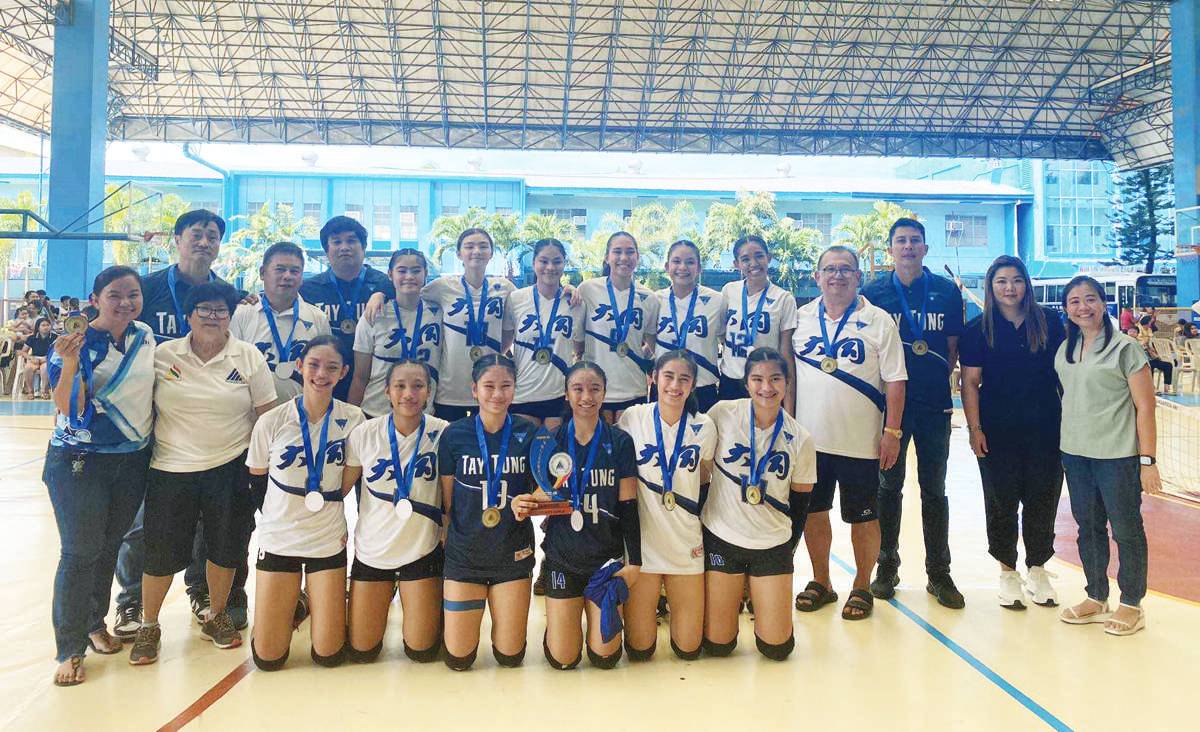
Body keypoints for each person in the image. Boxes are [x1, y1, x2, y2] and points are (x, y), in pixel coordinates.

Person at [129, 282, 277, 665]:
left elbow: (267, 417)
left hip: (229, 468)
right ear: (189, 315)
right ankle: (149, 624)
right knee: (160, 553)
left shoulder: (247, 357)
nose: (213, 317)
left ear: (231, 317)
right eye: (204, 310)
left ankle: (217, 614)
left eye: (221, 311)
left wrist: (261, 473)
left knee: (226, 548)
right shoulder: (163, 355)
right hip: (170, 467)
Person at [114, 209, 236, 639]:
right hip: (140, 422)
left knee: (203, 520)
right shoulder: (145, 291)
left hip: (196, 428)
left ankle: (201, 592)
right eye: (196, 234)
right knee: (142, 520)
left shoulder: (226, 297)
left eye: (212, 236)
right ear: (177, 240)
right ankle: (130, 603)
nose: (204, 242)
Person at [43, 267, 155, 686]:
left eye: (133, 294)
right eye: (114, 295)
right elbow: (68, 407)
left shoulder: (144, 335)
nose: (125, 302)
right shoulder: (73, 343)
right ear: (94, 299)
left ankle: (95, 623)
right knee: (79, 552)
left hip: (131, 460)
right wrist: (71, 361)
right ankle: (69, 647)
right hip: (79, 461)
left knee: (108, 546)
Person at [791, 245, 906, 621]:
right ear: (817, 276)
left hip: (861, 442)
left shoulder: (879, 320)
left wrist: (892, 431)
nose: (837, 276)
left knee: (863, 517)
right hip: (811, 442)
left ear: (858, 277)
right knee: (814, 513)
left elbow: (895, 380)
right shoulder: (801, 318)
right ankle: (821, 581)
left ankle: (861, 584)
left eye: (845, 270)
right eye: (829, 269)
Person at [862, 218, 966, 609]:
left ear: (925, 248)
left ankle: (939, 573)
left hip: (934, 404)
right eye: (901, 241)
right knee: (888, 488)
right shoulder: (872, 293)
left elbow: (952, 347)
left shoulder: (944, 291)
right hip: (890, 408)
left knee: (934, 491)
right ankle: (886, 566)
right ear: (890, 249)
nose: (908, 247)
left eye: (915, 241)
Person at [510, 361, 641, 670]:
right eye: (578, 389)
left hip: (605, 560)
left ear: (605, 393)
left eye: (595, 389)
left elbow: (628, 507)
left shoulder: (619, 442)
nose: (586, 396)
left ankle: (586, 622)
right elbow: (539, 494)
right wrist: (523, 503)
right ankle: (557, 629)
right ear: (566, 394)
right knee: (563, 659)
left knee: (605, 658)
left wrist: (634, 562)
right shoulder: (549, 441)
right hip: (563, 557)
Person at [245, 335, 364, 669]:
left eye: (331, 367)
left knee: (328, 655)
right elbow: (257, 479)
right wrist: (278, 517)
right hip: (279, 537)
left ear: (343, 373)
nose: (321, 373)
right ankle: (290, 601)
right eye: (313, 364)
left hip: (326, 539)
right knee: (268, 659)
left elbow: (345, 484)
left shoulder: (354, 419)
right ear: (299, 366)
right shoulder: (272, 421)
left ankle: (311, 599)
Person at [960, 256, 1066, 609]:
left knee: (1042, 498)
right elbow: (970, 384)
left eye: (1017, 280)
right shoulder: (977, 330)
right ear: (991, 286)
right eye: (1002, 281)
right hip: (997, 430)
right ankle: (1008, 572)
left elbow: (1066, 377)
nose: (1010, 288)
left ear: (1027, 285)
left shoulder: (1050, 323)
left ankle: (1037, 568)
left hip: (1046, 428)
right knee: (1001, 501)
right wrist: (975, 429)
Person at [1055, 276, 1159, 636]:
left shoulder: (1125, 348)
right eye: (1074, 302)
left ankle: (1132, 603)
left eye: (1090, 299)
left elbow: (1145, 407)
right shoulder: (1064, 350)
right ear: (1066, 309)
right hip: (1076, 454)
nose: (1083, 307)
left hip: (1117, 457)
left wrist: (1147, 460)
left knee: (1127, 529)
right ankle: (1096, 597)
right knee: (1089, 528)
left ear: (1103, 303)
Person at [702, 348, 815, 660]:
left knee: (777, 649)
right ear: (747, 383)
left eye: (775, 378)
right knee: (718, 646)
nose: (767, 387)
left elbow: (801, 503)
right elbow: (700, 473)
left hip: (771, 543)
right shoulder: (722, 414)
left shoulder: (800, 437)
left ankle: (759, 591)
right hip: (722, 538)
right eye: (758, 379)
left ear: (787, 382)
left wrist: (786, 551)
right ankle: (733, 595)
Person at [437, 354, 538, 670]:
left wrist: (531, 500)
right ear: (474, 390)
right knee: (458, 658)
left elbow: (547, 485)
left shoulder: (529, 432)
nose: (497, 394)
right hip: (466, 556)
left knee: (510, 657)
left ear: (515, 389)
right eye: (489, 386)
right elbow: (448, 501)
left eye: (505, 386)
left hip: (512, 553)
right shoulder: (455, 434)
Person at [343, 360, 446, 663]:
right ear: (386, 391)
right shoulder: (364, 433)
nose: (409, 393)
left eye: (418, 385)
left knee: (422, 651)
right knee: (362, 652)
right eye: (400, 386)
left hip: (421, 550)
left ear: (428, 392)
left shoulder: (443, 434)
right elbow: (341, 491)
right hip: (373, 552)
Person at [617, 351, 716, 660]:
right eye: (668, 377)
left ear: (693, 385)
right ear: (654, 378)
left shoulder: (704, 426)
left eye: (684, 379)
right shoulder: (633, 418)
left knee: (689, 649)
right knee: (639, 649)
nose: (675, 386)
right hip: (643, 548)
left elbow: (704, 479)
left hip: (685, 544)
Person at [299, 215, 395, 401]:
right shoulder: (308, 290)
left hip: (372, 383)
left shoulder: (385, 285)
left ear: (363, 247)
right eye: (336, 242)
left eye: (351, 240)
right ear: (327, 250)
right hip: (324, 378)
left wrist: (382, 292)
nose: (344, 247)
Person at [424, 229, 515, 422]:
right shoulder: (443, 286)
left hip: (491, 391)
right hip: (450, 392)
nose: (476, 251)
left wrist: (567, 289)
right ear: (459, 254)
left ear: (491, 253)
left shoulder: (504, 287)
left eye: (483, 246)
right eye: (469, 246)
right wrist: (380, 294)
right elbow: (409, 291)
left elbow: (525, 309)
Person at [230, 242, 332, 401]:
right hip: (251, 413)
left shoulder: (318, 318)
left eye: (294, 271)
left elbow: (326, 368)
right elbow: (230, 367)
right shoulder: (241, 314)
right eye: (280, 269)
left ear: (302, 276)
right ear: (263, 273)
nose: (287, 276)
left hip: (302, 415)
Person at [575, 232, 660, 422]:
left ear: (637, 257)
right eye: (617, 252)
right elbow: (578, 344)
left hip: (633, 388)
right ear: (607, 257)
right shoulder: (587, 290)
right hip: (595, 388)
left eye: (630, 252)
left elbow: (652, 343)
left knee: (629, 449)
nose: (624, 258)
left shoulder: (649, 297)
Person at [348, 249, 442, 418]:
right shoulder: (374, 314)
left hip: (423, 414)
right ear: (390, 275)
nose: (409, 276)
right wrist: (351, 419)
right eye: (402, 271)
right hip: (376, 412)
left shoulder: (439, 313)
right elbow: (360, 376)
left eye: (416, 270)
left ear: (425, 274)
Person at [503, 238, 579, 429]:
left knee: (554, 457)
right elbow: (504, 344)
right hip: (523, 393)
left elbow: (580, 348)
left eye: (557, 261)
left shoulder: (574, 301)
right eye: (544, 261)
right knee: (524, 456)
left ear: (564, 263)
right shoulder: (516, 299)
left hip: (558, 395)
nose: (550, 267)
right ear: (534, 262)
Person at [719, 235, 797, 403]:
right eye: (745, 259)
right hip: (731, 380)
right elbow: (722, 333)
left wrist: (789, 407)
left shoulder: (783, 298)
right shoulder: (728, 291)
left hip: (765, 384)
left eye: (759, 256)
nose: (753, 263)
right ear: (736, 264)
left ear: (769, 258)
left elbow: (786, 353)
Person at [653, 239, 726, 412]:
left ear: (699, 268)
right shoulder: (654, 300)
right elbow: (649, 341)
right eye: (676, 261)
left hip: (703, 388)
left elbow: (724, 339)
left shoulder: (718, 300)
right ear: (666, 266)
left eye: (690, 262)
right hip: (666, 388)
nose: (683, 267)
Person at [1127, 326, 1174, 395]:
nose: (1131, 333)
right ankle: (1151, 388)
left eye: (1134, 332)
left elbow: (1155, 357)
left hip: (1150, 360)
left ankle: (1167, 388)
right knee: (1148, 366)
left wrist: (1148, 348)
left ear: (1137, 334)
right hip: (1139, 362)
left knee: (1168, 365)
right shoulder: (1126, 343)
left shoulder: (1142, 342)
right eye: (1130, 331)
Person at [20, 317, 56, 397]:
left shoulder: (55, 337)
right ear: (38, 327)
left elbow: (57, 352)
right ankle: (30, 391)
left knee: (45, 368)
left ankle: (45, 391)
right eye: (43, 325)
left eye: (48, 325)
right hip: (35, 359)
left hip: (48, 359)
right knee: (28, 368)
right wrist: (30, 358)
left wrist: (47, 358)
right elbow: (23, 352)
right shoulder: (32, 338)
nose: (46, 327)